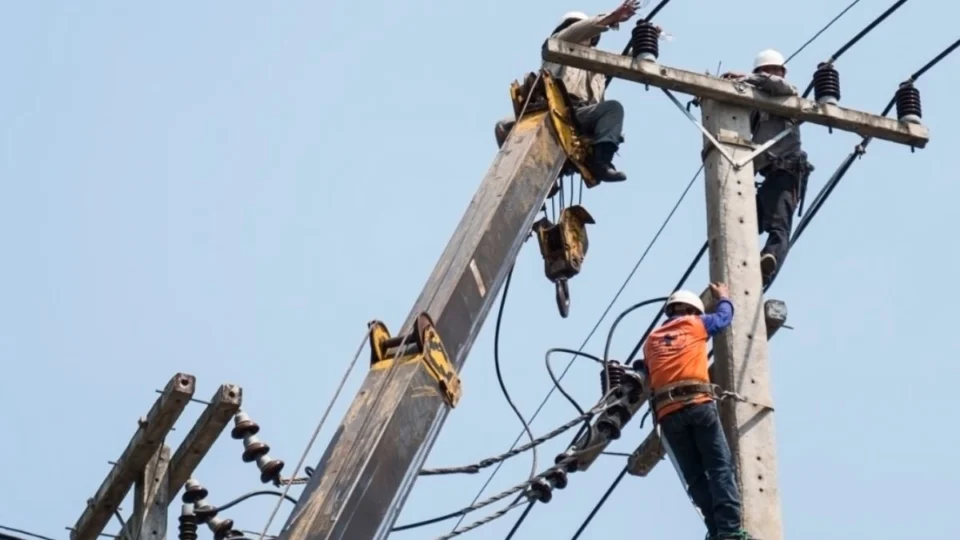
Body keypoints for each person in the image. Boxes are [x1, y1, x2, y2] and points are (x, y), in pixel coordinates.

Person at [643, 284, 753, 540]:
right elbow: (724, 317)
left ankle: (717, 532)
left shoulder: (651, 341)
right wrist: (724, 296)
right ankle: (729, 531)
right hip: (697, 404)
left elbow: (647, 373)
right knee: (719, 469)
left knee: (695, 478)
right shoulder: (695, 324)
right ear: (694, 311)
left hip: (668, 414)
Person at [494, 1, 641, 182]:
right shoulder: (558, 44)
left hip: (580, 117)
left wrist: (646, 40)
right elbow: (578, 30)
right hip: (554, 111)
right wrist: (612, 17)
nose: (577, 30)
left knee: (613, 109)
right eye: (573, 26)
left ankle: (601, 162)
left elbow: (625, 61)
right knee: (504, 126)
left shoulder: (599, 62)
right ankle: (527, 172)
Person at [722, 49, 815, 285]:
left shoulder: (787, 94)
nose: (772, 74)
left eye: (775, 70)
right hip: (767, 177)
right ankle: (741, 268)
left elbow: (776, 85)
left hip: (788, 173)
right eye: (766, 70)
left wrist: (745, 78)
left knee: (779, 227)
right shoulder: (754, 104)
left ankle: (769, 262)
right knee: (741, 220)